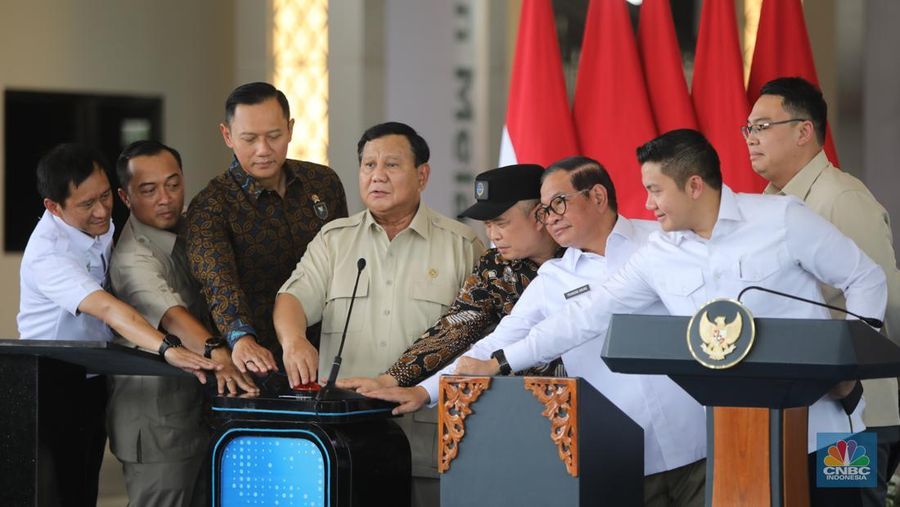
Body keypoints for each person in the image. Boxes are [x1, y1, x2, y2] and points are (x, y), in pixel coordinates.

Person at [450, 129, 886, 507]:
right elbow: (584, 316)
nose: (647, 203)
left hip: (835, 424)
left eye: (656, 190)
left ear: (694, 185)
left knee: (850, 505)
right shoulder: (659, 255)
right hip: (740, 439)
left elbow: (865, 277)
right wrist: (501, 361)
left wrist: (849, 363)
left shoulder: (783, 218)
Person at [368, 157, 707, 507]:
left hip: (702, 439)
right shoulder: (553, 279)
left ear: (598, 197)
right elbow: (497, 343)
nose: (551, 217)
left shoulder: (663, 243)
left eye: (559, 203)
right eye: (545, 209)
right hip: (625, 456)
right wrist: (424, 393)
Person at [273, 121, 485, 507]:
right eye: (368, 165)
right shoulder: (335, 240)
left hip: (428, 434)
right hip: (343, 434)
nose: (377, 176)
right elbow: (292, 298)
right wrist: (294, 340)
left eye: (391, 165)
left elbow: (482, 343)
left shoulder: (462, 245)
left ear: (422, 175)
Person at [17, 143, 218, 506]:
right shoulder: (49, 254)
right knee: (57, 494)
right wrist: (167, 348)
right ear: (53, 207)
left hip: (93, 374)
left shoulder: (103, 223)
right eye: (87, 204)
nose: (102, 211)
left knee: (85, 488)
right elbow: (111, 311)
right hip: (47, 381)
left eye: (106, 196)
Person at [747, 76, 900, 506]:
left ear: (803, 131)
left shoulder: (841, 199)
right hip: (799, 411)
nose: (750, 138)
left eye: (762, 126)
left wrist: (845, 379)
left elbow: (881, 295)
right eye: (748, 129)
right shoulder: (769, 204)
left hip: (853, 414)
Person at [107, 140, 257, 506]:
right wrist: (222, 353)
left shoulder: (190, 229)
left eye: (173, 185)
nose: (165, 198)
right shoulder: (132, 258)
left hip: (194, 414)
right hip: (157, 427)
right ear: (125, 198)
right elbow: (173, 316)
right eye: (148, 190)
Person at [337, 163, 564, 394]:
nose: (493, 235)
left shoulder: (586, 259)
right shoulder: (494, 267)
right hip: (518, 403)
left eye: (501, 223)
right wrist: (390, 380)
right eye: (487, 224)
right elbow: (456, 325)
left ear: (539, 215)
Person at [186, 82, 348, 376]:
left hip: (329, 359)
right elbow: (218, 283)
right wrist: (241, 338)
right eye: (249, 138)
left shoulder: (323, 183)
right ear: (227, 135)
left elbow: (345, 262)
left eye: (274, 136)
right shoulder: (211, 205)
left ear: (290, 129)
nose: (263, 150)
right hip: (255, 365)